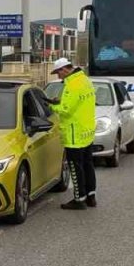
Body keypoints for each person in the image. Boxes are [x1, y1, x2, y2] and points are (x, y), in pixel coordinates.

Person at [49, 57, 98, 210]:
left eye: (58, 73)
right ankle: (91, 197)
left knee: (75, 167)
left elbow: (65, 110)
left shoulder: (72, 85)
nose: (58, 77)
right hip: (87, 131)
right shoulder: (85, 80)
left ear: (64, 69)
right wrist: (61, 101)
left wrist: (51, 106)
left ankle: (79, 200)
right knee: (88, 164)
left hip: (74, 133)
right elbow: (77, 103)